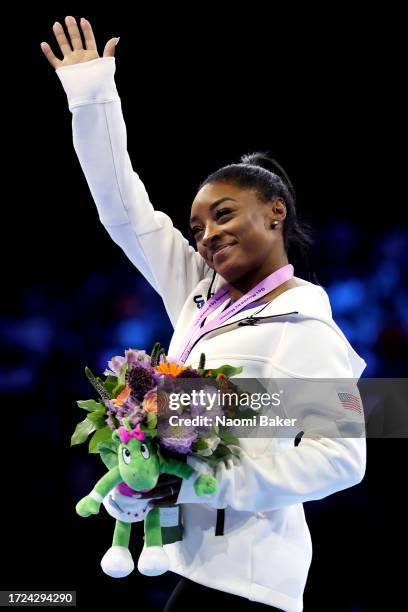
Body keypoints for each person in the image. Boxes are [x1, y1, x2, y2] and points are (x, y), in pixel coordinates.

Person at [41, 17, 367, 612]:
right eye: (197, 227)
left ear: (275, 213)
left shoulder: (308, 328)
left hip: (248, 579)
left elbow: (342, 460)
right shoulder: (198, 294)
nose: (207, 236)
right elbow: (123, 210)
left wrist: (208, 483)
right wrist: (90, 93)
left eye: (223, 215)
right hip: (186, 563)